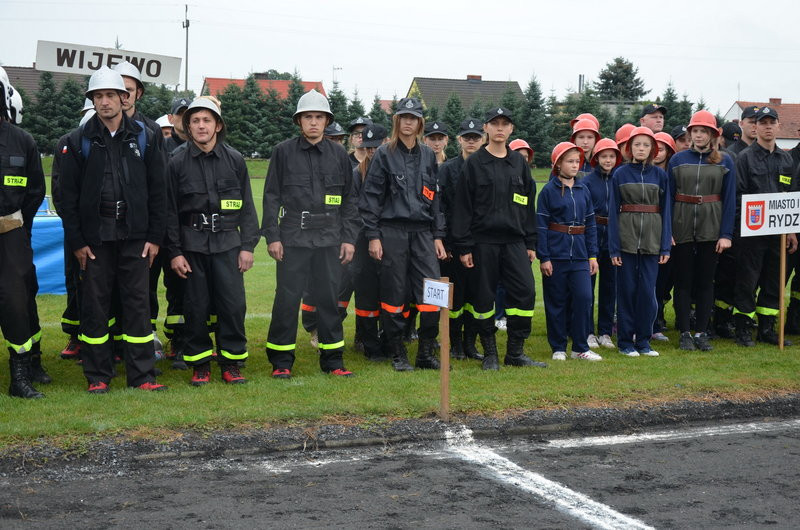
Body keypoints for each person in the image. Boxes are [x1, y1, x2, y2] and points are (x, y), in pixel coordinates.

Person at [58, 67, 167, 393]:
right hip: (95, 240)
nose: (104, 102)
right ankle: (98, 376)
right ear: (92, 100)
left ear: (123, 97)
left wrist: (155, 237)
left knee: (138, 306)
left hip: (135, 237)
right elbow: (67, 198)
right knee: (95, 307)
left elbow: (159, 190)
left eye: (110, 95)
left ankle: (143, 376)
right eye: (98, 96)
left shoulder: (146, 137)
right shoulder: (77, 141)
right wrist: (78, 241)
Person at [262, 89, 359, 378]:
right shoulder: (283, 152)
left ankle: (333, 360)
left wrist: (349, 238)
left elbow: (349, 200)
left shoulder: (338, 154)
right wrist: (273, 237)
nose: (314, 122)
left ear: (327, 121)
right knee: (287, 299)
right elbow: (271, 197)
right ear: (299, 121)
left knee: (329, 299)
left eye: (319, 117)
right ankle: (281, 362)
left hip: (330, 238)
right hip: (293, 237)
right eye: (308, 117)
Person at [166, 98, 259, 385]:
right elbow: (169, 211)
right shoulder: (176, 161)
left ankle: (231, 363)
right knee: (195, 307)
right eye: (195, 121)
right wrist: (174, 252)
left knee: (233, 306)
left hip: (228, 245)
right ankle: (200, 365)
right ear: (188, 126)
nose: (201, 126)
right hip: (191, 247)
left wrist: (247, 247)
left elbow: (247, 207)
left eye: (207, 120)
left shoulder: (235, 160)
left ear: (218, 125)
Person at [452, 107, 546, 370]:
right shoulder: (474, 164)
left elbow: (527, 205)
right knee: (483, 299)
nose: (500, 128)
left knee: (525, 292)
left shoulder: (518, 163)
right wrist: (464, 246)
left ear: (511, 129)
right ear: (486, 128)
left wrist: (530, 242)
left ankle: (515, 352)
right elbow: (463, 207)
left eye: (505, 124)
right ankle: (490, 353)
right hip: (483, 242)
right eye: (495, 123)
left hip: (515, 242)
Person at [360, 97, 446, 371]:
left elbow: (435, 200)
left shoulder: (428, 155)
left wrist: (438, 235)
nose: (408, 122)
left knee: (433, 292)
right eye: (404, 117)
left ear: (420, 123)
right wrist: (373, 236)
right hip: (392, 232)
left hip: (423, 233)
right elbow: (371, 198)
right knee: (394, 294)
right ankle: (398, 353)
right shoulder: (383, 154)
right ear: (397, 121)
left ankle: (425, 353)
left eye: (413, 118)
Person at [667, 110, 736, 352]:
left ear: (712, 134)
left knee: (706, 282)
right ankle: (685, 332)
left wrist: (726, 234)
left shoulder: (725, 161)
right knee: (683, 281)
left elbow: (729, 200)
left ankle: (701, 332)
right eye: (695, 131)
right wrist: (668, 231)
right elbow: (668, 198)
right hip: (681, 226)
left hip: (711, 226)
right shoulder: (677, 160)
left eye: (703, 131)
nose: (698, 135)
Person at [732, 106, 798, 346]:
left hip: (778, 233)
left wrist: (790, 230)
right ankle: (743, 328)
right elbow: (738, 194)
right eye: (763, 123)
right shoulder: (744, 158)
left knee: (774, 281)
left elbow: (789, 196)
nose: (768, 127)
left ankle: (767, 329)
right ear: (755, 127)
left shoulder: (786, 159)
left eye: (772, 122)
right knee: (747, 281)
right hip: (752, 232)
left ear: (779, 126)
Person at [0, 69, 47, 398]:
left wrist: (17, 226)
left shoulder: (22, 140)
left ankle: (20, 375)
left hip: (11, 234)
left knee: (16, 301)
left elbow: (35, 191)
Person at [608, 126, 671, 357]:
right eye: (637, 144)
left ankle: (644, 341)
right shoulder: (620, 174)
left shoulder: (660, 176)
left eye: (646, 145)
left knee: (647, 292)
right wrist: (614, 248)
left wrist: (665, 246)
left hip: (652, 243)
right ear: (629, 148)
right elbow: (613, 212)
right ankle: (625, 342)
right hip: (626, 242)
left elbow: (666, 212)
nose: (641, 149)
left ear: (653, 149)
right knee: (626, 292)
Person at [538, 142, 600, 361]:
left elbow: (590, 224)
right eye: (570, 161)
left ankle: (580, 347)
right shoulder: (548, 191)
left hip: (581, 256)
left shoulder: (584, 190)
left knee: (584, 298)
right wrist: (544, 257)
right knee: (556, 302)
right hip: (556, 255)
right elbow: (541, 226)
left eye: (577, 161)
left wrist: (592, 255)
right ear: (558, 164)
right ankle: (558, 347)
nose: (575, 165)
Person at [439, 118, 485, 361]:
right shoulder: (447, 169)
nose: (471, 141)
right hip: (454, 244)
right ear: (459, 140)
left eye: (475, 137)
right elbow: (441, 208)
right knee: (455, 296)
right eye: (467, 137)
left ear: (483, 139)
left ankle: (470, 343)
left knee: (476, 296)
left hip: (481, 242)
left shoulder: (487, 166)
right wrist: (445, 242)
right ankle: (454, 343)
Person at [350, 123, 388, 361]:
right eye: (368, 147)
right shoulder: (357, 174)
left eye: (376, 147)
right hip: (364, 243)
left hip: (391, 240)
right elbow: (355, 209)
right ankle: (369, 344)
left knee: (391, 294)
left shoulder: (394, 169)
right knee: (366, 294)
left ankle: (389, 341)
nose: (372, 151)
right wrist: (371, 235)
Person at [583, 138, 622, 350]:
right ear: (596, 158)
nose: (608, 160)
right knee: (587, 288)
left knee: (610, 287)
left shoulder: (619, 178)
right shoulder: (588, 181)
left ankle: (605, 332)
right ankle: (588, 331)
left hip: (613, 237)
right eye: (604, 156)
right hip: (593, 235)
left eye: (612, 156)